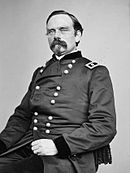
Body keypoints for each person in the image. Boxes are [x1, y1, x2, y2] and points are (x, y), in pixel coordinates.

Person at [0, 10, 116, 173]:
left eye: (63, 29)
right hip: (31, 146)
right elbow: (22, 116)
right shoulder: (40, 72)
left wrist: (57, 145)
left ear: (77, 36)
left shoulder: (95, 72)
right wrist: (2, 143)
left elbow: (104, 125)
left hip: (68, 153)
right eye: (51, 31)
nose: (56, 35)